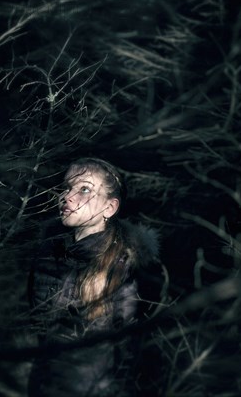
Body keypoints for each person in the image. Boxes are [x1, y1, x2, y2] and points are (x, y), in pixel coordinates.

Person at [28, 157, 165, 397]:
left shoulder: (126, 267)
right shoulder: (47, 255)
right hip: (44, 387)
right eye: (66, 187)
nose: (67, 196)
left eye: (84, 189)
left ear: (109, 208)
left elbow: (136, 353)